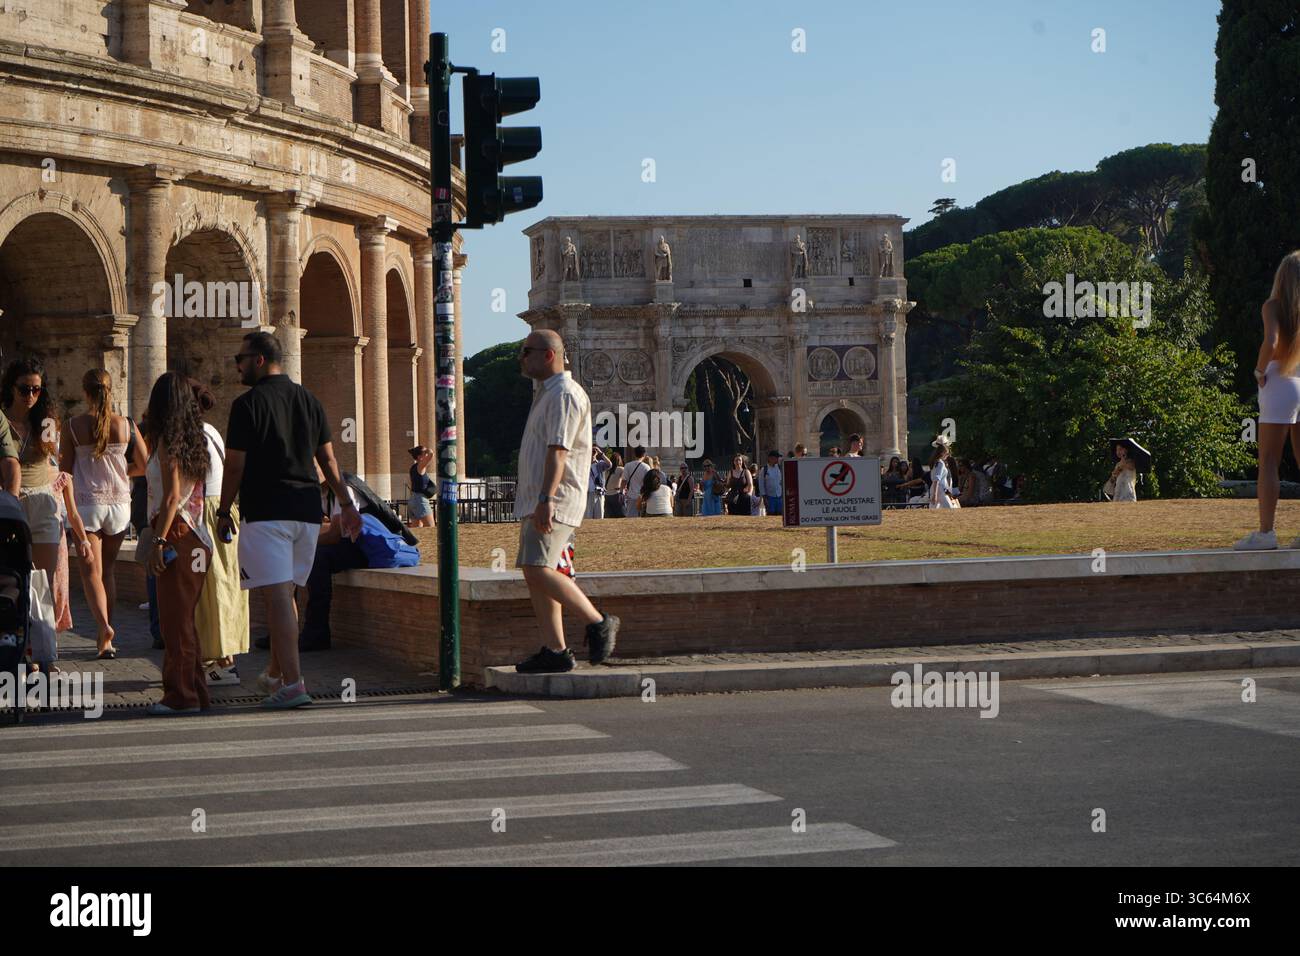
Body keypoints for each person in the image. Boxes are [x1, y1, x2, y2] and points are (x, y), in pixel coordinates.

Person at [216, 331, 360, 708]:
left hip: (267, 512)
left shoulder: (246, 406)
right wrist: (346, 504)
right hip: (307, 512)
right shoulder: (309, 400)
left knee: (277, 597)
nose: (237, 365)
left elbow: (234, 466)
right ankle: (277, 673)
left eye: (241, 359)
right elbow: (328, 461)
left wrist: (222, 509)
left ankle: (294, 684)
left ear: (259, 360)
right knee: (291, 593)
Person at [511, 329, 619, 674]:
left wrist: (545, 498)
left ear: (548, 354)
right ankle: (555, 650)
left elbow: (559, 450)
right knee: (539, 571)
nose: (521, 358)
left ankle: (598, 621)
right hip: (538, 500)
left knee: (536, 568)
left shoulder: (565, 394)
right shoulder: (547, 394)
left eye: (526, 351)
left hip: (553, 500)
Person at [60, 368, 146, 658]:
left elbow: (66, 473)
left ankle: (104, 628)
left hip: (88, 503)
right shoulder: (127, 425)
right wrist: (124, 473)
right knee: (106, 570)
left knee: (90, 573)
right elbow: (144, 464)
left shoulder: (72, 426)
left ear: (85, 392)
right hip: (121, 504)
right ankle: (104, 638)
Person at [142, 372, 213, 716]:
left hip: (177, 534)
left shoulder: (169, 440)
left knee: (175, 623)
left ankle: (180, 696)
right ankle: (195, 691)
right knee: (185, 621)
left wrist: (157, 541)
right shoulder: (192, 438)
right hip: (196, 538)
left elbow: (171, 498)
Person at [3, 358, 68, 662]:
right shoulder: (2, 419)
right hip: (10, 501)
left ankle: (44, 652)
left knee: (43, 579)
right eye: (24, 389)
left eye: (37, 390)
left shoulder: (46, 422)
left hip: (42, 501)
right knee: (14, 578)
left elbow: (56, 466)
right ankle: (18, 650)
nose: (30, 396)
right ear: (11, 387)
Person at [185, 380, 249, 686]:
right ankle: (222, 657)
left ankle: (223, 662)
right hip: (223, 511)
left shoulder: (191, 435)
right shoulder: (211, 430)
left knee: (212, 588)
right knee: (224, 585)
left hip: (205, 513)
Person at [1237, 251, 1300, 549]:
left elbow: (1271, 342)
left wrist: (1259, 371)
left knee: (1268, 462)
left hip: (1279, 383)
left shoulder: (1273, 306)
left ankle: (1266, 534)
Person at [298, 461, 366, 652]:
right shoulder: (320, 493)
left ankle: (317, 633)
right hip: (348, 544)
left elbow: (335, 534)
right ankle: (281, 632)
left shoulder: (344, 491)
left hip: (365, 547)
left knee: (318, 558)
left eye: (316, 467)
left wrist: (302, 545)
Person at [928, 436, 960, 509]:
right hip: (940, 490)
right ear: (943, 453)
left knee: (933, 511)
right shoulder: (940, 463)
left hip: (937, 489)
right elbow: (936, 479)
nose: (948, 455)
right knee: (950, 509)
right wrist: (935, 494)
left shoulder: (936, 462)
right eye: (947, 453)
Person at [407, 445, 435, 528]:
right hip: (420, 500)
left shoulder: (413, 468)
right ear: (419, 457)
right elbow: (431, 454)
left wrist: (424, 451)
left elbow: (411, 485)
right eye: (424, 453)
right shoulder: (420, 466)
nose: (426, 454)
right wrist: (427, 450)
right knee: (430, 527)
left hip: (413, 499)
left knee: (417, 529)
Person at [621, 446, 650, 517]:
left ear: (634, 454)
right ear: (644, 455)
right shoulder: (646, 467)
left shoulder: (628, 465)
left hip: (631, 496)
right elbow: (648, 483)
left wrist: (621, 493)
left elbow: (624, 481)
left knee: (631, 517)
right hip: (642, 496)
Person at [587, 446, 610, 519]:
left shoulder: (599, 464)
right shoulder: (584, 464)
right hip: (587, 492)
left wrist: (601, 453)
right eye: (591, 451)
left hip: (598, 492)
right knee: (588, 516)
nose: (593, 453)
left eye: (594, 451)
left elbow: (610, 465)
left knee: (599, 516)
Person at [760, 450, 783, 516]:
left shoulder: (779, 468)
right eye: (776, 458)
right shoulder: (764, 470)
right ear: (770, 458)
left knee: (780, 515)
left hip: (779, 496)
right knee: (771, 515)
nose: (777, 459)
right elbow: (761, 484)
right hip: (769, 497)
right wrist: (764, 498)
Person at [604, 451, 625, 518]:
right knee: (620, 515)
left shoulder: (607, 470)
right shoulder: (621, 469)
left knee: (610, 516)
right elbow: (625, 480)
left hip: (607, 495)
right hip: (616, 494)